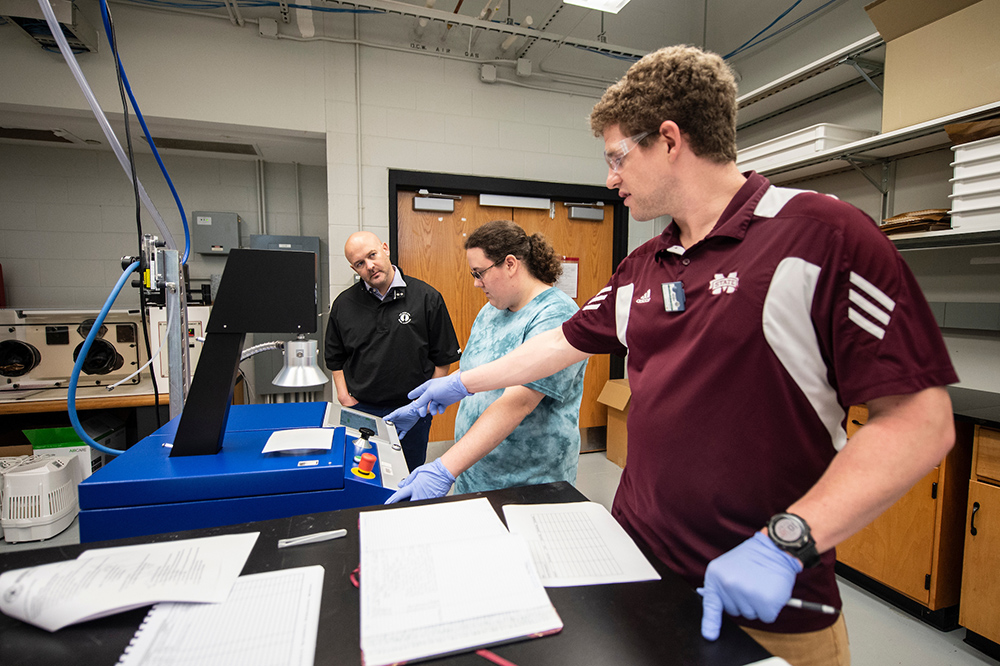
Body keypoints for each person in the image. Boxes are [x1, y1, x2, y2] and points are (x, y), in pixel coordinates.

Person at [390, 46, 958, 666]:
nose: (610, 178)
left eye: (616, 157)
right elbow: (559, 343)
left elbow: (918, 423)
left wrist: (787, 543)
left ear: (668, 140)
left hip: (767, 603)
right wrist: (461, 384)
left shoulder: (824, 236)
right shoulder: (641, 267)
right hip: (637, 570)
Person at [384, 220, 588, 503]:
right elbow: (477, 373)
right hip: (475, 469)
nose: (476, 282)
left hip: (528, 480)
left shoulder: (555, 314)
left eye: (480, 273)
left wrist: (444, 468)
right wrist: (428, 401)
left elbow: (519, 403)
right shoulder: (491, 311)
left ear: (510, 264)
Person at [325, 231, 461, 473]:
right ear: (353, 268)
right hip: (362, 409)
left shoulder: (426, 297)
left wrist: (425, 403)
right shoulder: (344, 305)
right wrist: (344, 396)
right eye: (360, 263)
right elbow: (335, 358)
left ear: (385, 249)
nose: (370, 266)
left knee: (406, 474)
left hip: (411, 409)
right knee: (363, 475)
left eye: (372, 255)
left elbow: (443, 358)